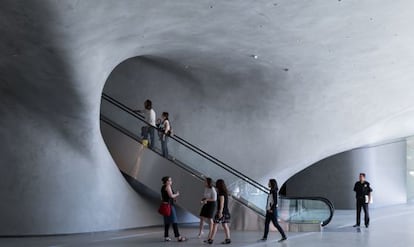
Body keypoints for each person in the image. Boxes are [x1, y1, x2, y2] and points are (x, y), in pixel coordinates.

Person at [204, 179, 231, 245]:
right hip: (225, 211)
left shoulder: (221, 193)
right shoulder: (224, 192)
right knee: (224, 225)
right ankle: (228, 239)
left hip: (222, 212)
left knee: (215, 225)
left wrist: (220, 212)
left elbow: (222, 203)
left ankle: (211, 239)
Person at [160, 176, 187, 242]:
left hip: (164, 206)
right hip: (169, 206)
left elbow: (164, 197)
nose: (171, 181)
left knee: (167, 222)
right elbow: (171, 195)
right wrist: (177, 194)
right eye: (170, 180)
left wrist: (172, 198)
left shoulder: (162, 187)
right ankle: (178, 237)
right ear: (167, 182)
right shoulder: (168, 186)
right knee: (174, 221)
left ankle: (166, 236)